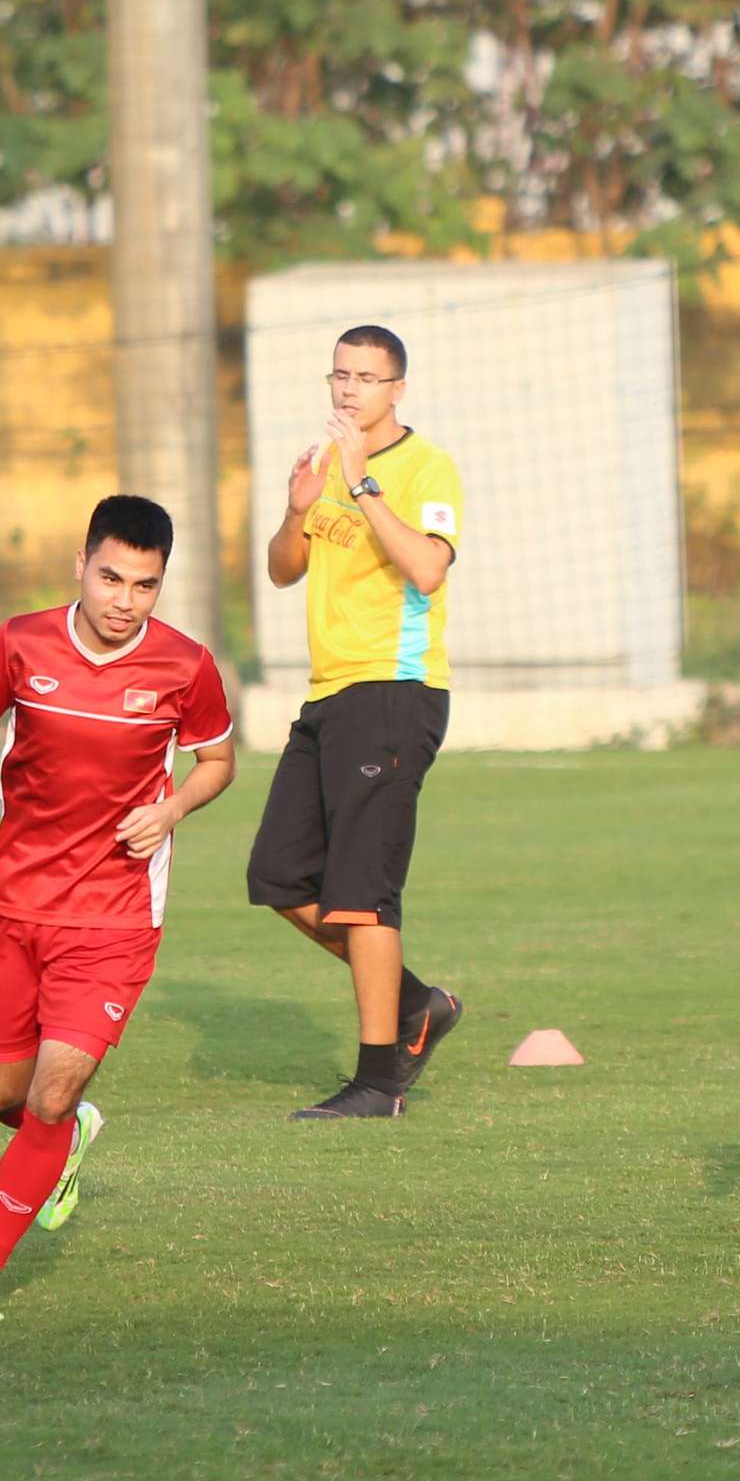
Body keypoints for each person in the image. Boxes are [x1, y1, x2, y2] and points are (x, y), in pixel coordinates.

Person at [0, 495, 239, 1325]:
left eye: (144, 585)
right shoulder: (19, 643)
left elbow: (217, 759)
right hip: (16, 902)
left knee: (50, 1095)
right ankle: (64, 1142)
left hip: (115, 916)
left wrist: (172, 809)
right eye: (110, 578)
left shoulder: (185, 666)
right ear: (81, 565)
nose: (124, 600)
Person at [247, 323, 467, 1119]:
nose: (349, 389)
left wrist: (362, 482)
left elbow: (429, 568)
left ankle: (379, 1082)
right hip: (330, 695)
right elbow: (283, 570)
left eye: (367, 378)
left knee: (362, 896)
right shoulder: (321, 464)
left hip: (393, 694)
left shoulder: (424, 465)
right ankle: (413, 1003)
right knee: (277, 875)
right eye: (340, 374)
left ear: (397, 388)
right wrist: (296, 509)